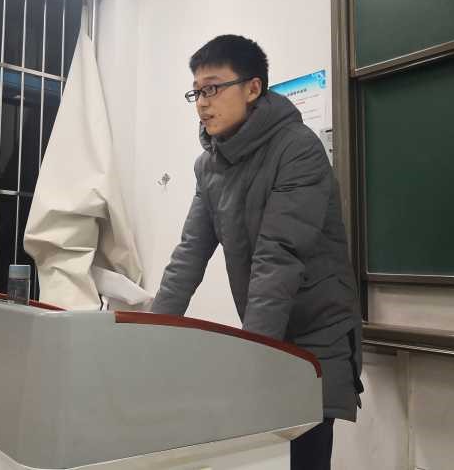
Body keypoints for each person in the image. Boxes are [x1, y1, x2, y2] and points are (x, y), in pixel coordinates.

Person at [151, 35, 363, 470]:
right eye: (196, 92)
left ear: (253, 88)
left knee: (302, 458)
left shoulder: (297, 148)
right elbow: (189, 254)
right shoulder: (210, 165)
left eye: (213, 88)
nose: (202, 103)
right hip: (267, 332)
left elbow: (277, 258)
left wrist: (252, 358)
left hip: (316, 335)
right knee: (262, 458)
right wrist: (149, 335)